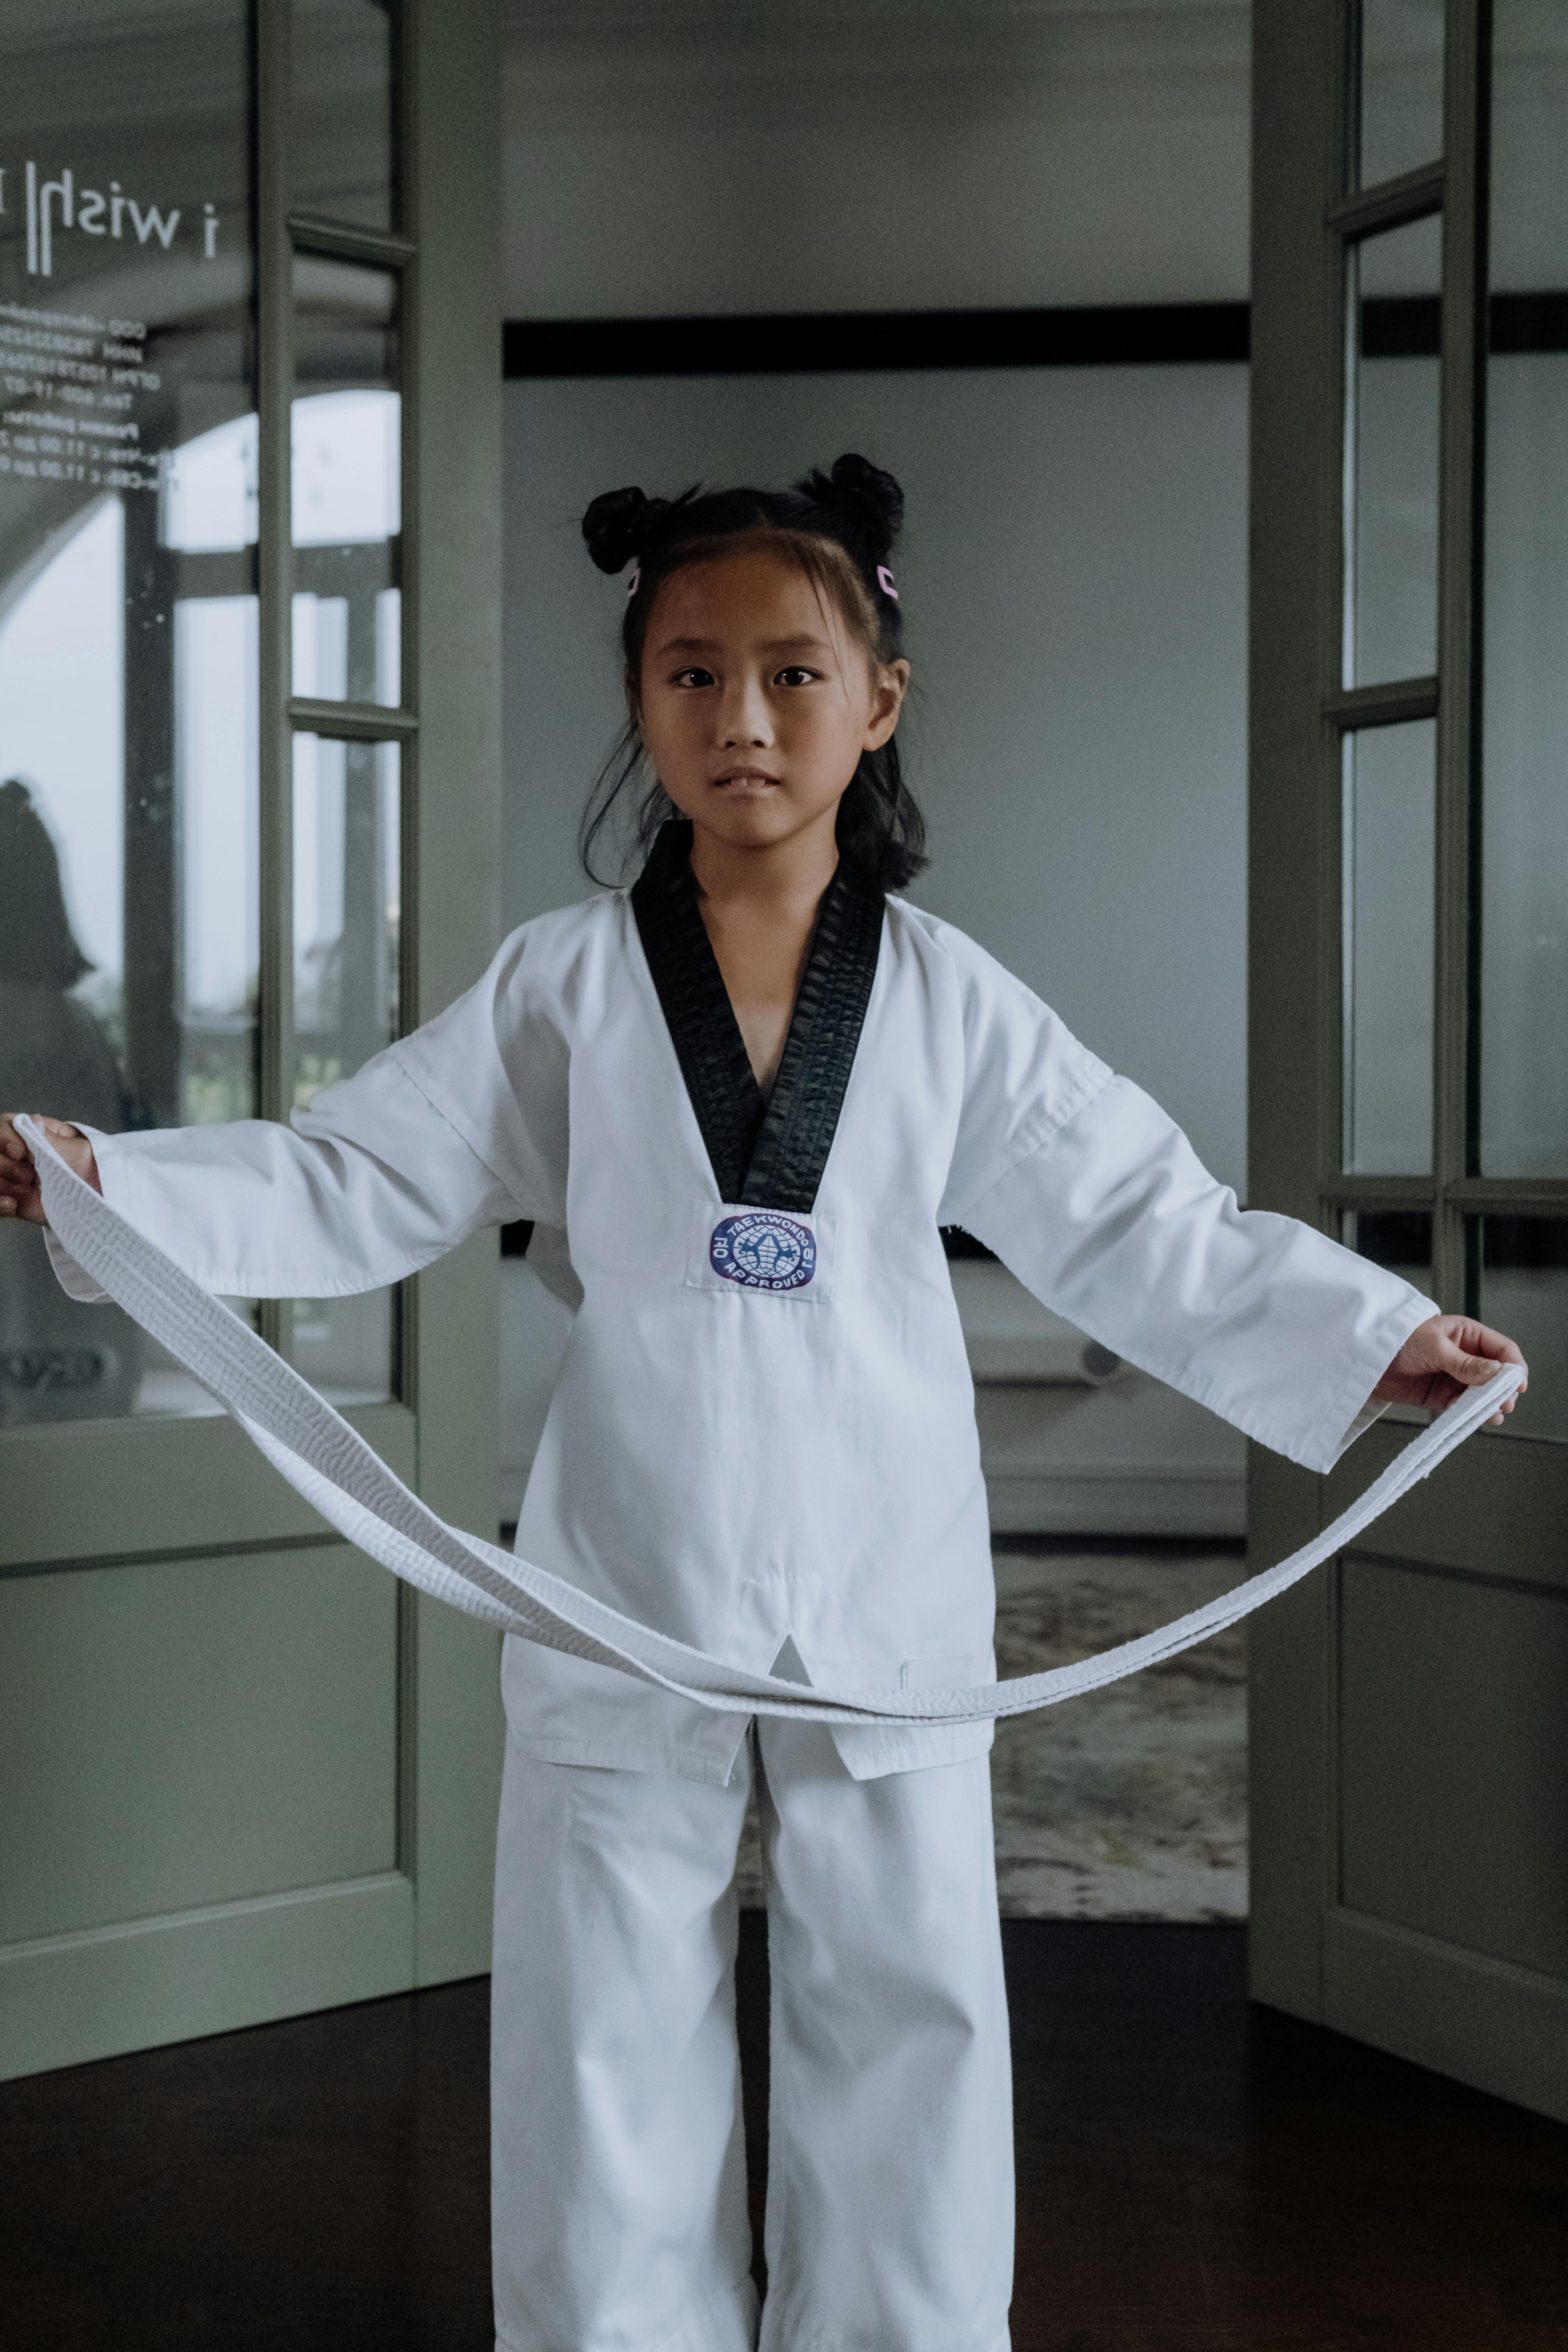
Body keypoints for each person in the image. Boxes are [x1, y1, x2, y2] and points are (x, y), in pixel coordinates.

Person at [1, 456, 1525, 2352]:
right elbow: (351, 1173)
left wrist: (1360, 1331)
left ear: (880, 696)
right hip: (625, 1564)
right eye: (693, 673)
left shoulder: (955, 998)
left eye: (795, 673)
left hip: (881, 1573)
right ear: (640, 702)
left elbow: (1144, 1219)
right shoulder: (558, 986)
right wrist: (109, 1179)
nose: (743, 719)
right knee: (599, 2004)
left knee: (911, 1994)